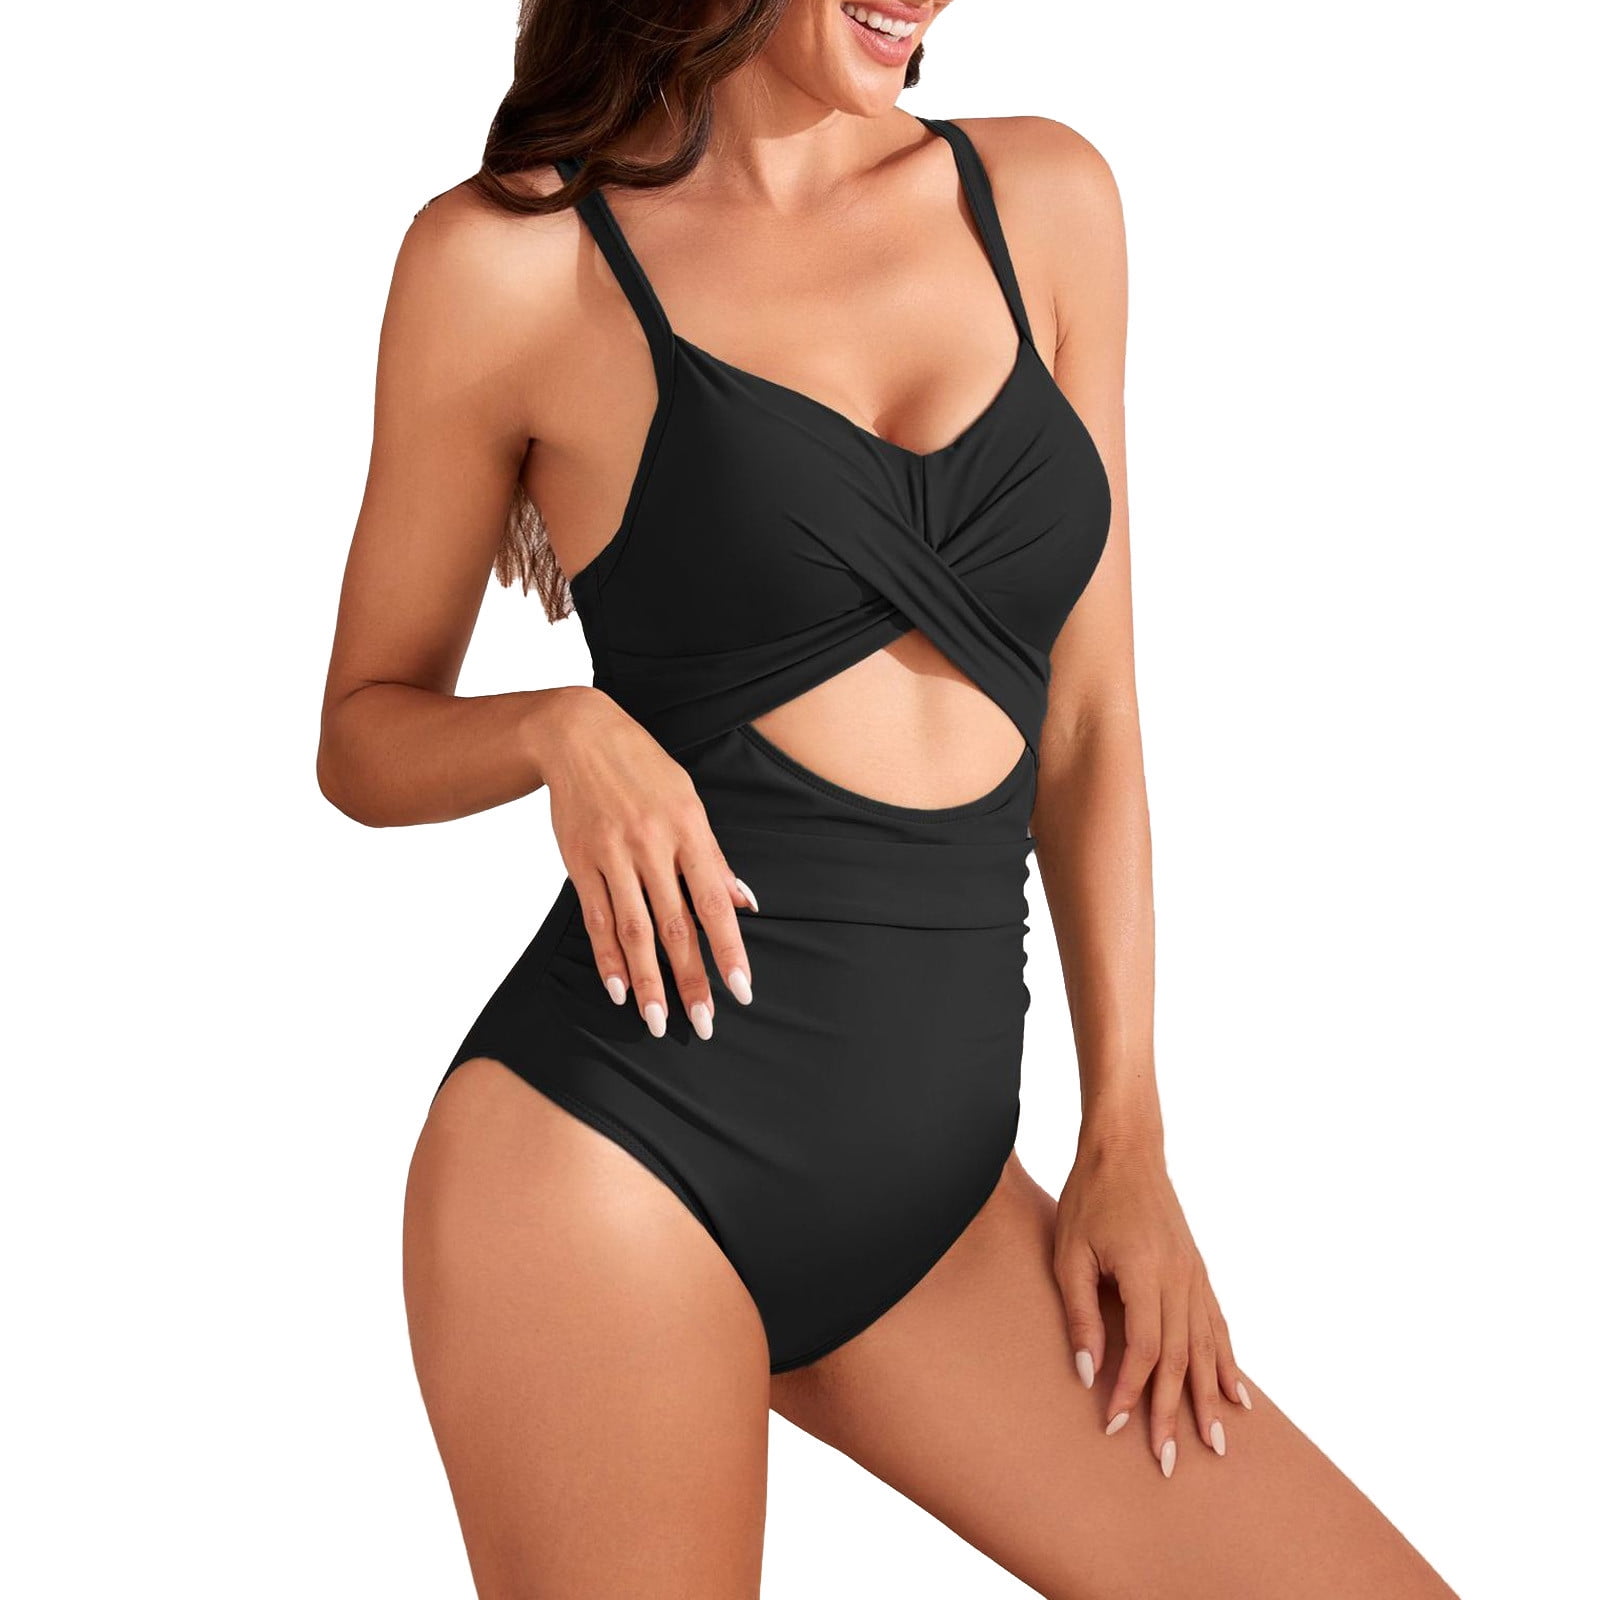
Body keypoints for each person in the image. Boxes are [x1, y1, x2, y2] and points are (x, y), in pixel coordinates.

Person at [317, 1, 1459, 1594]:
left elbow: (1090, 721)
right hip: (612, 1172)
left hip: (938, 1205)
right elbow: (362, 735)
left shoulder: (1045, 202)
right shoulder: (515, 264)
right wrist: (560, 732)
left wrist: (1126, 1136)